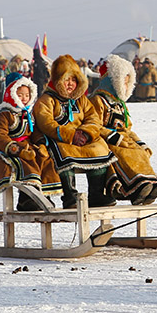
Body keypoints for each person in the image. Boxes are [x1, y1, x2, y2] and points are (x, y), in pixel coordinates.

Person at [32, 54, 117, 208]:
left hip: (82, 138)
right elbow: (46, 123)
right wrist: (70, 135)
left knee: (99, 149)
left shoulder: (81, 100)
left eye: (73, 80)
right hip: (60, 138)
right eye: (66, 80)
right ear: (58, 80)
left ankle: (96, 194)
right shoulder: (47, 99)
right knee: (64, 152)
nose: (70, 84)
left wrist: (85, 133)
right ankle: (70, 197)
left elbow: (93, 118)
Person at [89, 55, 157, 205]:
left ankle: (149, 184)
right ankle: (136, 187)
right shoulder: (98, 100)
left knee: (139, 151)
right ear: (112, 80)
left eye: (127, 81)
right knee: (124, 152)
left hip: (123, 137)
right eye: (123, 80)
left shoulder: (120, 105)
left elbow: (127, 127)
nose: (125, 84)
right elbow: (93, 124)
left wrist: (138, 141)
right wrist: (112, 135)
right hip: (107, 139)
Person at [0, 73, 61, 211]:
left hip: (29, 147)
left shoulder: (28, 114)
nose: (24, 98)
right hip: (12, 148)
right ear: (12, 94)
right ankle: (26, 199)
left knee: (46, 161)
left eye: (27, 95)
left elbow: (34, 132)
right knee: (28, 164)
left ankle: (44, 195)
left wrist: (41, 143)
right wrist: (12, 147)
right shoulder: (5, 114)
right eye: (20, 95)